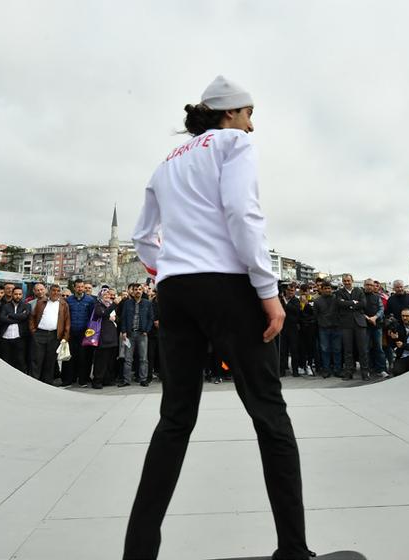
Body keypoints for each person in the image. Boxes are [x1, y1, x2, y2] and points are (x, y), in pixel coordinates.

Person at [126, 75, 310, 560]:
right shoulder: (232, 144)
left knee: (175, 418)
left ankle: (138, 552)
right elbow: (242, 211)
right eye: (249, 114)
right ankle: (293, 549)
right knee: (270, 414)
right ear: (230, 113)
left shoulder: (165, 164)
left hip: (174, 290)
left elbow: (144, 236)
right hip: (226, 285)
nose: (252, 126)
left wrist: (169, 270)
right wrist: (268, 291)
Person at [29, 283, 70, 385]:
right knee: (37, 359)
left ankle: (47, 382)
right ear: (49, 291)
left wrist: (65, 337)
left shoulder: (63, 304)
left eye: (58, 291)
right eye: (53, 291)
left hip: (54, 335)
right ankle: (34, 381)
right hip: (39, 334)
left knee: (50, 360)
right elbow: (32, 317)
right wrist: (33, 331)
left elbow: (67, 322)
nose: (55, 293)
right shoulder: (41, 302)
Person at [335, 274, 369, 380]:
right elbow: (339, 304)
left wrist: (347, 304)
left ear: (352, 280)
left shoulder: (359, 291)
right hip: (346, 324)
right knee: (348, 350)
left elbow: (363, 304)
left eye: (348, 280)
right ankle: (348, 372)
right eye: (344, 281)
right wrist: (353, 303)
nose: (346, 282)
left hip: (359, 323)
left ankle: (365, 372)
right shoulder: (339, 292)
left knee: (362, 349)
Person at [63, 279, 97, 387]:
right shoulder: (69, 300)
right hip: (71, 332)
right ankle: (68, 380)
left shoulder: (90, 300)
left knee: (83, 357)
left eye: (82, 287)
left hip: (84, 333)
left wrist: (90, 331)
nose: (80, 289)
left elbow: (92, 317)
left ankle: (83, 380)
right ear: (74, 287)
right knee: (69, 357)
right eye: (78, 287)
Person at [119, 282, 154, 386]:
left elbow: (151, 318)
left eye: (139, 289)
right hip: (129, 334)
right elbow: (123, 318)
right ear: (132, 291)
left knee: (143, 358)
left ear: (142, 291)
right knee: (128, 359)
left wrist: (146, 330)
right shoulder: (127, 303)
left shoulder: (147, 303)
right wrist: (124, 331)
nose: (137, 291)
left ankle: (143, 379)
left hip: (142, 335)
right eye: (135, 290)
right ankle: (126, 380)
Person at [91, 288, 120, 389]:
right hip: (102, 337)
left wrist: (115, 318)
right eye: (105, 295)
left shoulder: (111, 306)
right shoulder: (98, 306)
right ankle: (97, 381)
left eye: (108, 295)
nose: (107, 297)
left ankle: (107, 379)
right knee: (101, 361)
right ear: (100, 296)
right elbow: (103, 314)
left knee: (110, 360)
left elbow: (116, 318)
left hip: (112, 336)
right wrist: (114, 305)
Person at [0, 286, 30, 372]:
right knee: (6, 360)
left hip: (19, 337)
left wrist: (10, 315)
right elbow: (2, 318)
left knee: (20, 360)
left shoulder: (27, 305)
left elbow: (24, 317)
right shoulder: (5, 306)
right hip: (6, 337)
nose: (17, 296)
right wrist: (18, 319)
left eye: (19, 294)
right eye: (15, 294)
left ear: (22, 295)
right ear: (12, 294)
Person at [313, 282, 341, 378]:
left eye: (329, 288)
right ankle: (326, 370)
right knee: (325, 350)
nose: (327, 290)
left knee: (337, 350)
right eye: (325, 288)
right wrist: (322, 322)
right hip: (323, 329)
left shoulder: (336, 299)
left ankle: (338, 370)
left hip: (336, 328)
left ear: (331, 289)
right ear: (321, 289)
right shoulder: (317, 301)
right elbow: (315, 316)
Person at [362, 278, 386, 376]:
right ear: (364, 286)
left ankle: (381, 369)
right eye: (367, 285)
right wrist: (368, 318)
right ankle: (367, 369)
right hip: (364, 327)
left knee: (379, 348)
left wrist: (375, 317)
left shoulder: (377, 297)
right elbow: (358, 310)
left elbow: (381, 309)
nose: (369, 287)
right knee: (366, 349)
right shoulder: (360, 296)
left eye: (371, 285)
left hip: (377, 326)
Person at [278, 283, 302, 377]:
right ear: (286, 291)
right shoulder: (281, 300)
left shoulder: (296, 300)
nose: (290, 292)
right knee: (283, 351)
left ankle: (295, 371)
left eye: (292, 290)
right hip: (283, 328)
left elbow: (295, 310)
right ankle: (282, 370)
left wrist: (285, 302)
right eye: (289, 290)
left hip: (293, 329)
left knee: (294, 350)